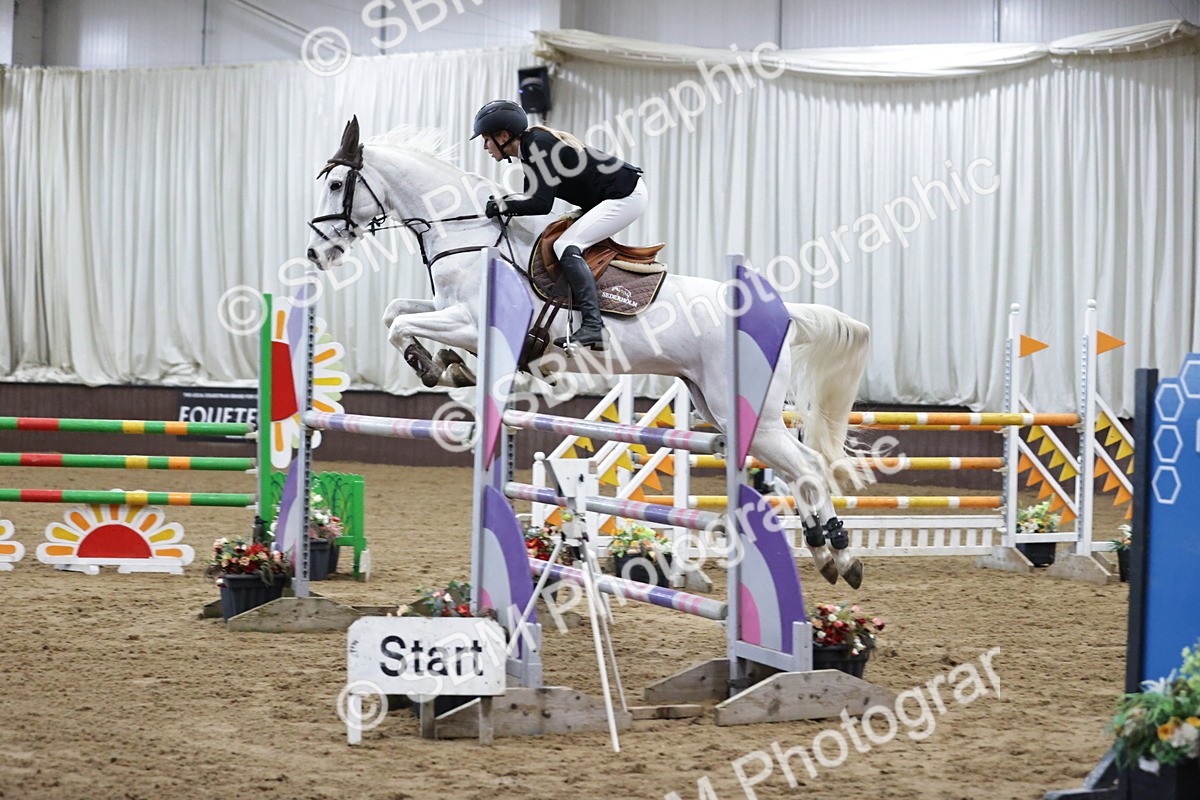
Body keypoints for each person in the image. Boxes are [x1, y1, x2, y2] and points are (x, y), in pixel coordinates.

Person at [472, 99, 648, 350]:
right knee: (557, 237)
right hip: (608, 197)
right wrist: (505, 204)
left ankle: (593, 326)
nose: (485, 147)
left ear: (503, 136)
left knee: (567, 244)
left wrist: (502, 205)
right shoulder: (530, 148)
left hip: (625, 196)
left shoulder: (537, 147)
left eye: (486, 139)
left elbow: (540, 204)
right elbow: (530, 202)